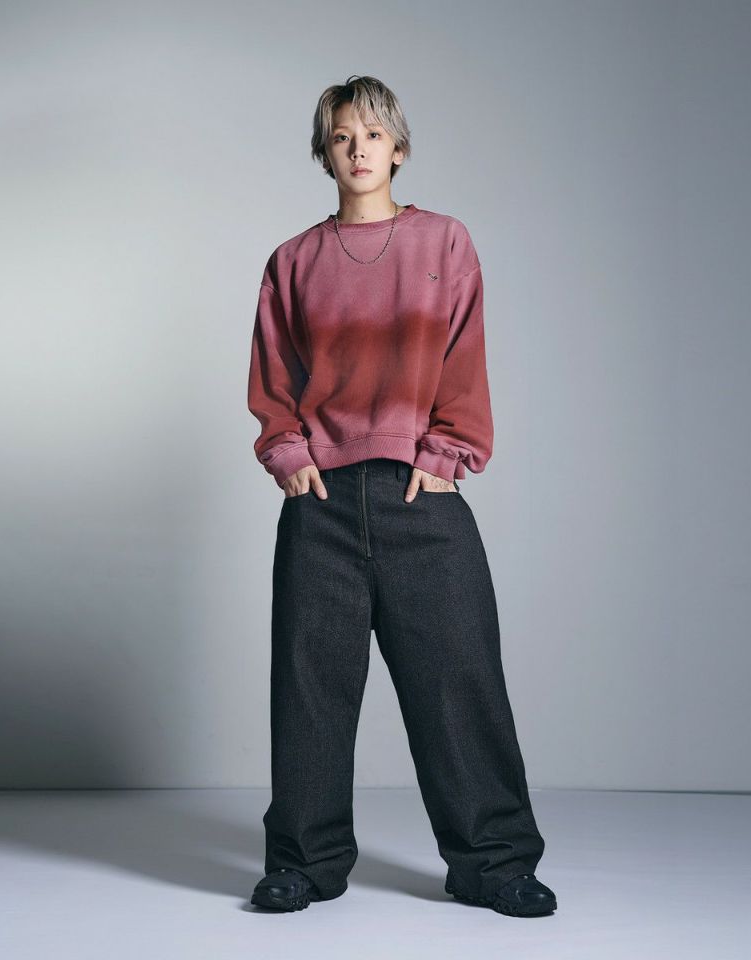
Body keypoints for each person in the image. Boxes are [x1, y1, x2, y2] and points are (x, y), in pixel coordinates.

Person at [247, 74, 557, 918]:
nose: (359, 150)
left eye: (374, 135)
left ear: (399, 147)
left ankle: (494, 862)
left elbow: (464, 354)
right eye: (342, 137)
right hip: (320, 501)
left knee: (459, 682)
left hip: (422, 494)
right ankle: (302, 863)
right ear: (325, 153)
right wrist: (288, 453)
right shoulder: (292, 262)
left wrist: (449, 450)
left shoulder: (444, 243)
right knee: (310, 691)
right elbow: (273, 379)